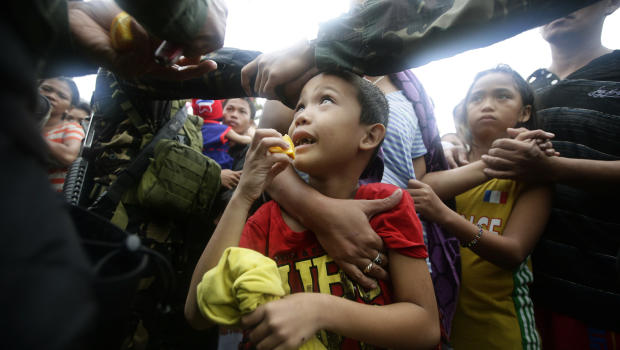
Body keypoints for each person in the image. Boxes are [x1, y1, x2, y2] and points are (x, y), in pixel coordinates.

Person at [1, 0, 226, 349]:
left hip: (163, 242)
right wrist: (281, 65)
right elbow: (216, 66)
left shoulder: (180, 106)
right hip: (121, 227)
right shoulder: (134, 66)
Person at [186, 71, 440, 349]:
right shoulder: (266, 221)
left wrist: (321, 310)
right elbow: (197, 314)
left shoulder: (388, 205)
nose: (301, 117)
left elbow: (425, 328)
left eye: (326, 100)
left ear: (369, 135)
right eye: (300, 107)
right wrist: (244, 195)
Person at [479, 1, 620, 347]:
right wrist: (455, 142)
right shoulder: (528, 89)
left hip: (596, 293)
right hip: (513, 296)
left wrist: (554, 169)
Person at [408, 65, 552, 349]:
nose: (487, 105)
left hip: (502, 333)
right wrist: (449, 144)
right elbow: (421, 186)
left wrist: (445, 216)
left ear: (524, 113)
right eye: (477, 98)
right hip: (442, 334)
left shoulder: (533, 175)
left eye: (502, 97)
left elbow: (512, 253)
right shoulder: (449, 162)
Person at [40, 77, 85, 192]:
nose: (51, 96)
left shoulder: (71, 128)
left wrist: (28, 133)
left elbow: (69, 155)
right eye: (46, 89)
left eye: (62, 96)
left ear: (70, 108)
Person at [192, 98, 251, 173]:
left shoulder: (251, 151)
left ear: (250, 123)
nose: (234, 115)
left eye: (242, 111)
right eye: (229, 109)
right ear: (221, 112)